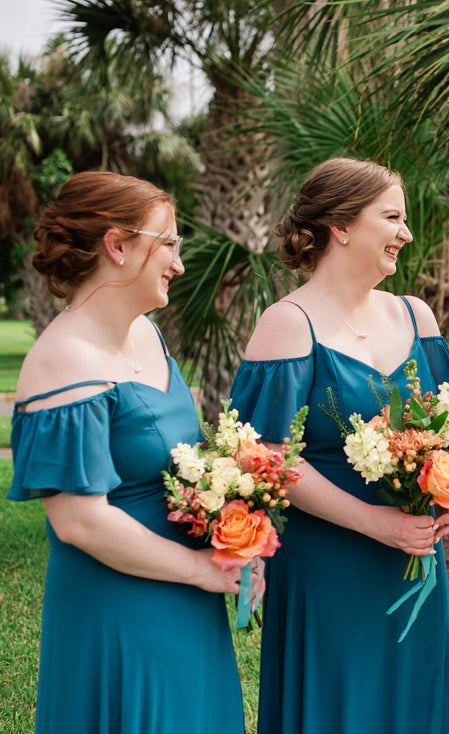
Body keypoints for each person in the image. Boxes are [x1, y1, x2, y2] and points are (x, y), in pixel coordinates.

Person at [228, 158, 449, 734]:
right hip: (328, 559)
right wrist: (373, 521)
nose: (407, 233)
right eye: (393, 217)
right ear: (342, 226)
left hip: (413, 557)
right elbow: (266, 456)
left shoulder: (416, 316)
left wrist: (448, 493)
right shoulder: (289, 323)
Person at [8, 171, 249, 733]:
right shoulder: (63, 360)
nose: (178, 264)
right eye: (168, 244)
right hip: (119, 604)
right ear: (116, 245)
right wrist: (198, 569)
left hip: (189, 598)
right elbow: (78, 522)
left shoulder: (147, 334)